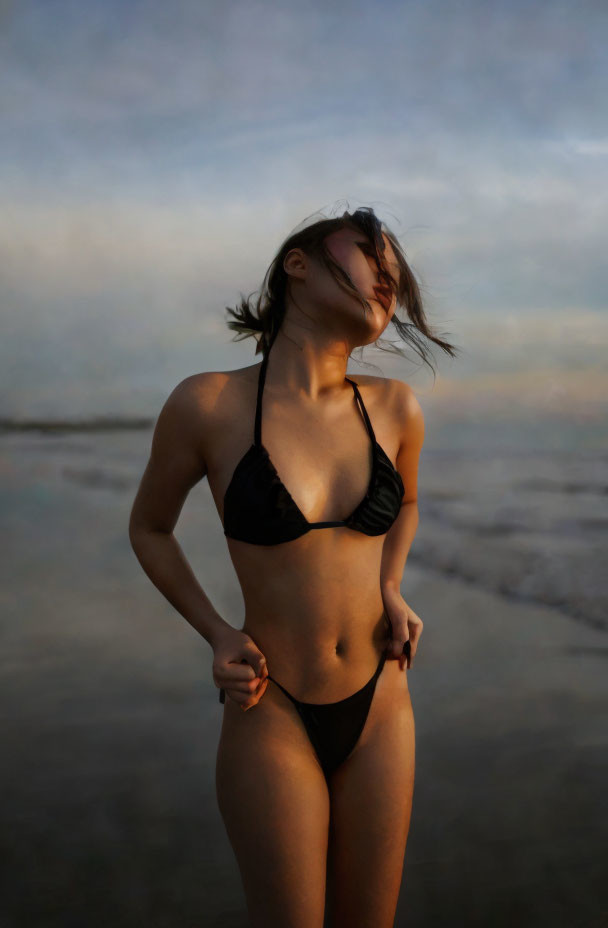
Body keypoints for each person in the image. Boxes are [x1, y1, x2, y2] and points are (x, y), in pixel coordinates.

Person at [129, 206, 459, 927]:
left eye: (395, 277)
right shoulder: (209, 404)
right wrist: (216, 633)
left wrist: (391, 586)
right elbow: (150, 528)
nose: (388, 281)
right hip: (270, 704)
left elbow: (403, 505)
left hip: (382, 702)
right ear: (298, 264)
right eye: (373, 257)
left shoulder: (396, 409)